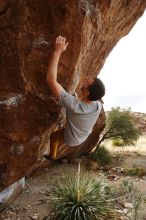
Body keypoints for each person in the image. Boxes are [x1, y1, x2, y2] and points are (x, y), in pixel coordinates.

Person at [44, 36, 105, 160]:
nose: (86, 79)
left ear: (87, 92)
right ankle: (53, 155)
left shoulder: (74, 105)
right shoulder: (98, 105)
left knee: (54, 137)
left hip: (71, 139)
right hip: (83, 136)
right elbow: (99, 99)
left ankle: (52, 156)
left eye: (88, 82)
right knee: (58, 134)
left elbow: (51, 80)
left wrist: (58, 51)